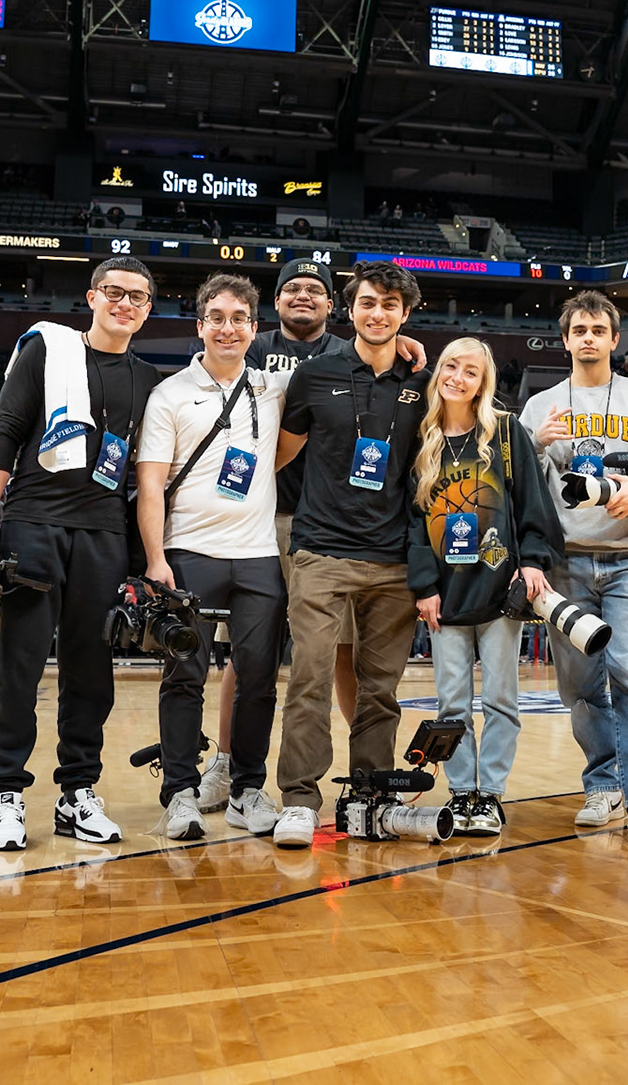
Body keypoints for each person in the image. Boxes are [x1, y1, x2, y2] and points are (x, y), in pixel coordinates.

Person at [0, 256, 163, 852]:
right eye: (114, 292)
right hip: (32, 523)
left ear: (148, 309)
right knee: (20, 666)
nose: (124, 303)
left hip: (104, 534)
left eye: (137, 296)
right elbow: (5, 433)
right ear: (91, 296)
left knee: (91, 671)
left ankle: (76, 792)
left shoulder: (150, 380)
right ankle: (7, 793)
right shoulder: (46, 352)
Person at [522, 292, 628, 843]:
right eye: (580, 330)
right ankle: (603, 783)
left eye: (599, 330)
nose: (589, 338)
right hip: (566, 563)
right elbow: (515, 484)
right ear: (567, 338)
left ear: (615, 339)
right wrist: (534, 443)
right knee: (578, 687)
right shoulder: (541, 405)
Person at [270, 261, 432, 850]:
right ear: (351, 309)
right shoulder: (313, 377)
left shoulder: (425, 383)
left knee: (380, 688)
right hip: (320, 551)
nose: (378, 313)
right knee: (309, 677)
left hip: (394, 560)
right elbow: (278, 460)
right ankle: (299, 799)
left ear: (405, 314)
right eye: (368, 302)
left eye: (391, 305)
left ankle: (369, 796)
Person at [194, 260, 356, 813]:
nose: (303, 296)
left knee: (340, 651)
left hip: (329, 523)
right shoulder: (249, 344)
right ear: (275, 302)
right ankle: (226, 762)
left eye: (315, 290)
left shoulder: (347, 353)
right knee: (249, 652)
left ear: (332, 304)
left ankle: (363, 769)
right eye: (292, 289)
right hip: (258, 519)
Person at [137, 275, 291, 840]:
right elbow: (151, 486)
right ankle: (178, 793)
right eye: (217, 317)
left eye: (239, 318)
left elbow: (341, 366)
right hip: (188, 552)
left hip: (257, 555)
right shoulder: (169, 394)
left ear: (255, 327)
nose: (228, 328)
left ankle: (248, 790)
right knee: (184, 675)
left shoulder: (274, 388)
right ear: (199, 325)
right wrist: (157, 558)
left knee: (259, 680)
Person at [409, 338, 561, 836]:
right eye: (450, 366)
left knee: (500, 700)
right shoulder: (422, 437)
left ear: (483, 382)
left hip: (499, 590)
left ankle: (489, 795)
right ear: (438, 372)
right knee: (452, 704)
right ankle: (460, 792)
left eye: (470, 371)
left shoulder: (507, 434)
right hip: (445, 597)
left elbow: (533, 504)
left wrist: (534, 560)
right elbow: (412, 523)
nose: (457, 377)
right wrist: (424, 584)